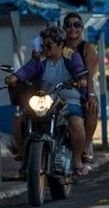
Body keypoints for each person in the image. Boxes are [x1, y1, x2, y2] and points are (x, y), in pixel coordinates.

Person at [5, 25, 91, 176]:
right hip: (45, 99)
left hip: (68, 99)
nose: (45, 48)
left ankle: (77, 160)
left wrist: (80, 79)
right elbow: (28, 69)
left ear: (60, 44)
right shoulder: (41, 58)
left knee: (76, 122)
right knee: (19, 121)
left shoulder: (71, 55)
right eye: (44, 44)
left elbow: (79, 69)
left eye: (49, 44)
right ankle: (27, 162)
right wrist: (15, 77)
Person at [62, 11, 100, 168]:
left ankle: (85, 148)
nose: (73, 28)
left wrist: (90, 95)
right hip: (59, 90)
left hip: (82, 91)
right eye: (69, 25)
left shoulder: (87, 47)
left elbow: (89, 74)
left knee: (91, 109)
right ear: (64, 28)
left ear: (82, 28)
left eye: (77, 25)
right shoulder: (59, 46)